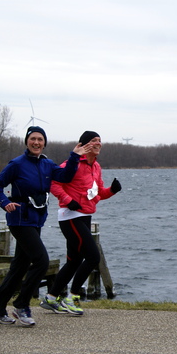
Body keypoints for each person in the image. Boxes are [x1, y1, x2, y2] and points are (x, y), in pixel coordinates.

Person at [0, 126, 90, 326]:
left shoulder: (47, 164)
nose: (36, 142)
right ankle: (21, 305)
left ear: (44, 143)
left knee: (20, 266)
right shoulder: (16, 164)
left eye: (40, 139)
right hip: (19, 219)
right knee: (41, 261)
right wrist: (3, 202)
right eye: (33, 139)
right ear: (27, 141)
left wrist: (75, 156)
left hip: (36, 219)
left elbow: (66, 177)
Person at [40, 131, 121, 315]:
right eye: (94, 141)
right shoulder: (72, 163)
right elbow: (54, 182)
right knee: (93, 256)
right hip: (70, 215)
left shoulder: (96, 167)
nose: (98, 144)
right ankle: (72, 297)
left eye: (100, 141)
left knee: (74, 260)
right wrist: (68, 200)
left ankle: (51, 298)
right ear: (83, 145)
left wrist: (112, 190)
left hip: (85, 215)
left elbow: (98, 192)